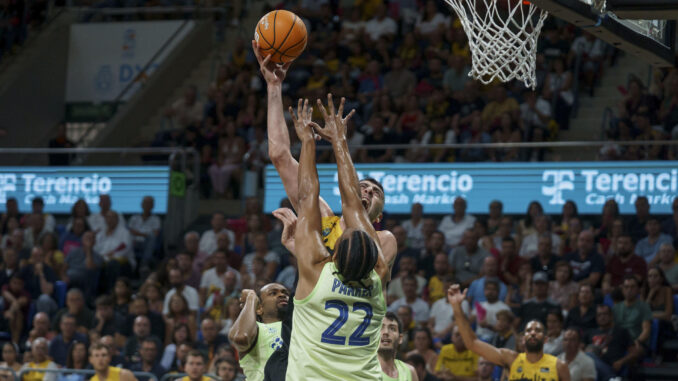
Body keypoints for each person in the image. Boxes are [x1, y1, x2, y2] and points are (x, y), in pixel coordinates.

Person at [274, 96, 390, 380]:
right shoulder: (379, 275)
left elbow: (308, 196)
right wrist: (339, 142)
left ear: (333, 253)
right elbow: (352, 203)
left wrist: (310, 142)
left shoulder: (315, 271)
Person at [447, 285, 570, 381]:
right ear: (522, 339)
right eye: (528, 331)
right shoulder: (510, 358)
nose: (532, 333)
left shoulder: (559, 366)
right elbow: (472, 343)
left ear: (545, 339)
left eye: (537, 331)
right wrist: (457, 307)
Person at [228, 285, 288, 381]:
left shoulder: (297, 327)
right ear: (259, 308)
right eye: (273, 293)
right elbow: (241, 338)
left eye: (285, 293)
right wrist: (251, 298)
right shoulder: (257, 329)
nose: (282, 295)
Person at [379, 312, 419, 381]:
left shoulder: (410, 371)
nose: (386, 332)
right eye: (380, 328)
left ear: (400, 338)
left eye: (392, 328)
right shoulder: (363, 371)